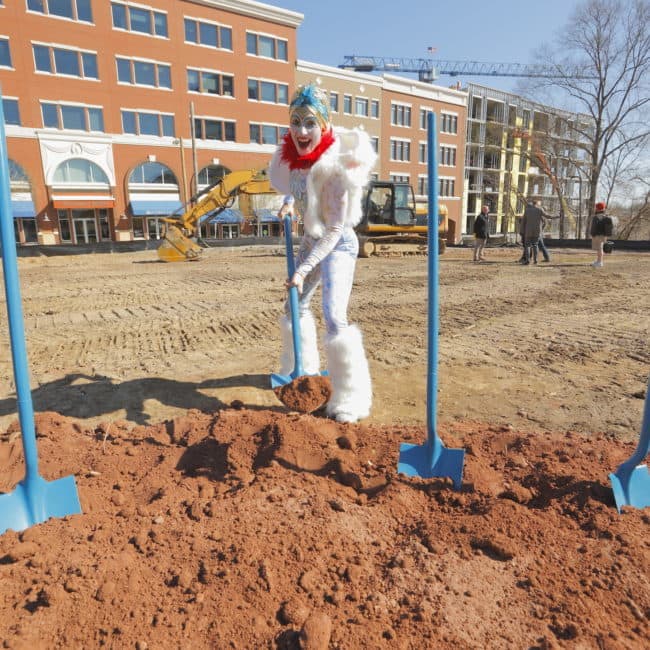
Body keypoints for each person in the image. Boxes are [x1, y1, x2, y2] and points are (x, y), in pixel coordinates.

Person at [269, 83, 376, 423]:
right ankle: (302, 369)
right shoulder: (295, 163)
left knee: (333, 315)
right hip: (312, 239)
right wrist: (287, 203)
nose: (302, 131)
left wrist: (303, 270)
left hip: (338, 244)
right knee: (293, 305)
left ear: (324, 125)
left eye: (310, 123)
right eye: (296, 121)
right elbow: (300, 192)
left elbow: (333, 230)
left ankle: (351, 397)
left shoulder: (336, 171)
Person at [520, 199, 547, 265]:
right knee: (535, 245)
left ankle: (528, 260)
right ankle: (535, 260)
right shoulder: (540, 210)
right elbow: (547, 217)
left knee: (528, 246)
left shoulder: (527, 211)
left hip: (528, 231)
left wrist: (521, 231)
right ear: (537, 204)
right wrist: (557, 216)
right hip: (537, 231)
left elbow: (523, 222)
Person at [590, 201, 613, 268]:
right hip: (603, 235)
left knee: (599, 249)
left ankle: (600, 262)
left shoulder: (596, 217)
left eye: (596, 207)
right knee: (599, 248)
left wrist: (592, 234)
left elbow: (594, 227)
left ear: (597, 208)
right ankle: (598, 261)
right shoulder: (605, 217)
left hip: (598, 235)